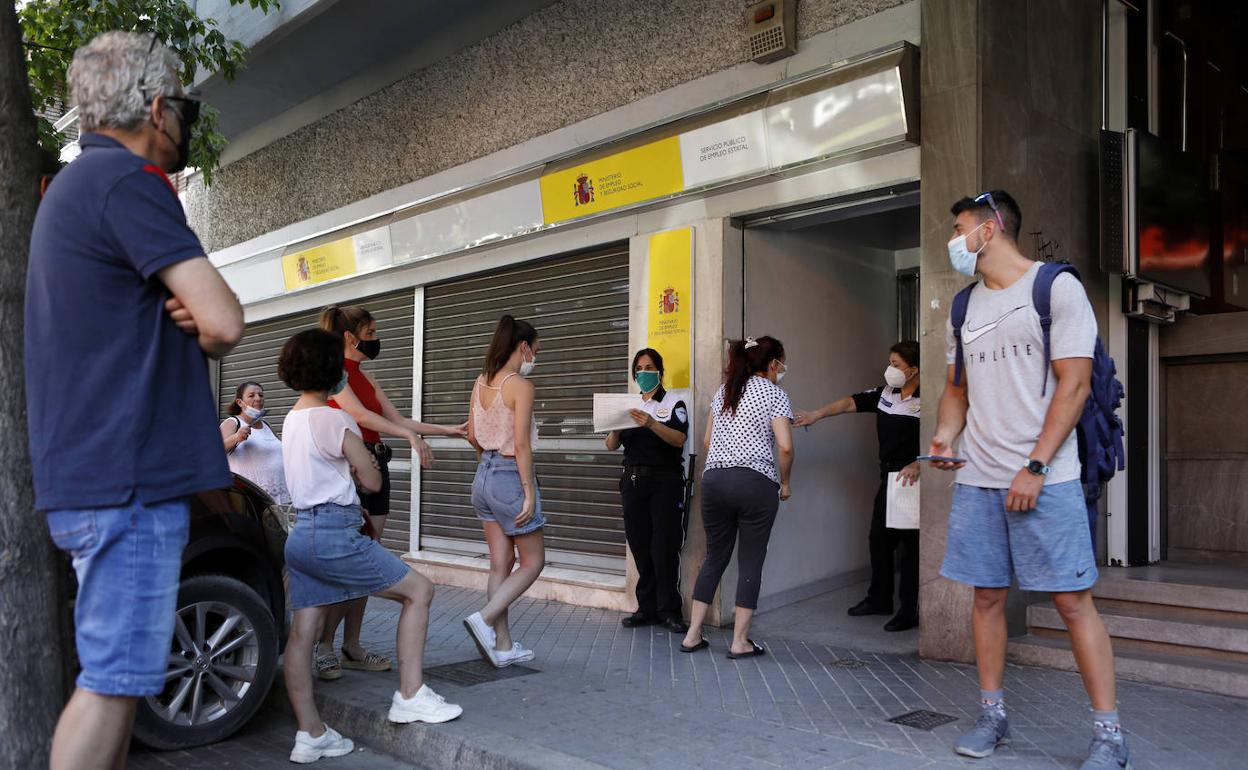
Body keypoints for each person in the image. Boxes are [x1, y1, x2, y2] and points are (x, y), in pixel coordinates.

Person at [25, 32, 245, 770]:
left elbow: (197, 321)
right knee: (114, 683)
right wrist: (201, 321)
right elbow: (224, 320)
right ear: (156, 107)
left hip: (98, 478)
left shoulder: (76, 190)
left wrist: (191, 316)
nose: (182, 119)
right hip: (128, 481)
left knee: (118, 680)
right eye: (181, 104)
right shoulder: (126, 183)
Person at [928, 190, 1129, 770]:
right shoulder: (964, 307)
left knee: (1070, 602)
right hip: (979, 479)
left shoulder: (1055, 288)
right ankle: (993, 713)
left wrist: (1036, 466)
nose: (955, 241)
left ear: (989, 230)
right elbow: (957, 389)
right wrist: (945, 435)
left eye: (960, 227)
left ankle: (1109, 734)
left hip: (1048, 477)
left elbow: (1075, 386)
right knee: (987, 598)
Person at [277, 329, 461, 763]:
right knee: (419, 591)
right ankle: (411, 694)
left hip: (301, 534)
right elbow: (372, 479)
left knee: (304, 631)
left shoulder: (290, 419)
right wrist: (365, 464)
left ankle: (311, 733)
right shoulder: (335, 419)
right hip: (337, 531)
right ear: (332, 370)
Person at [314, 304, 466, 680]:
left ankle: (352, 645)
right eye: (372, 332)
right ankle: (324, 645)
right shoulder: (336, 377)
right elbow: (362, 418)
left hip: (376, 467)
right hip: (351, 470)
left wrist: (449, 431)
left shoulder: (366, 377)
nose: (376, 339)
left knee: (367, 561)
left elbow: (395, 420)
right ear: (352, 337)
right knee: (349, 563)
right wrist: (409, 436)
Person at [795, 341, 921, 632]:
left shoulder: (927, 400)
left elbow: (941, 436)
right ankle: (879, 598)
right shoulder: (885, 394)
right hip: (887, 477)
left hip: (911, 479)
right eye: (890, 363)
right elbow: (849, 402)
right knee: (879, 539)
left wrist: (919, 464)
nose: (891, 369)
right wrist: (816, 414)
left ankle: (909, 610)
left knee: (910, 548)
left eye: (897, 365)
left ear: (913, 370)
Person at [681, 336, 793, 658]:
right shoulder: (775, 394)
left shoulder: (725, 391)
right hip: (755, 483)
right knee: (751, 561)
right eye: (782, 362)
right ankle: (739, 642)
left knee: (714, 556)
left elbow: (706, 441)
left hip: (715, 480)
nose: (783, 369)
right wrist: (785, 483)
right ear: (773, 364)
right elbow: (785, 447)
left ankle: (692, 635)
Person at [461, 315, 547, 667]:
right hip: (510, 476)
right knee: (533, 561)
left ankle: (503, 644)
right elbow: (523, 444)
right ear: (523, 347)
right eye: (535, 351)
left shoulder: (481, 382)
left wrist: (488, 463)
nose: (534, 358)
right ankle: (484, 618)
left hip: (483, 476)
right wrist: (527, 490)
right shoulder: (520, 386)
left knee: (500, 563)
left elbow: (471, 434)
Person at [606, 348, 690, 634]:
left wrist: (652, 423)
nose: (643, 372)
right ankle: (647, 607)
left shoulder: (672, 403)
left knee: (664, 546)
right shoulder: (629, 405)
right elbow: (610, 445)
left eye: (649, 367)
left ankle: (670, 610)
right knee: (640, 544)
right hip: (632, 481)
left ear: (660, 371)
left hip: (664, 482)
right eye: (639, 368)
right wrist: (616, 424)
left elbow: (679, 439)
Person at [221, 381, 291, 505]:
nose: (258, 398)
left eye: (261, 395)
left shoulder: (267, 425)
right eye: (251, 395)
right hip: (250, 500)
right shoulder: (232, 422)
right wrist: (236, 438)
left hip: (279, 497)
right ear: (240, 402)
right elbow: (212, 453)